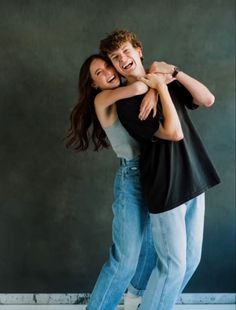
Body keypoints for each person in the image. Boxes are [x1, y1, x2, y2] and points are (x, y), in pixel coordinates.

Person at [99, 29, 221, 310]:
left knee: (191, 261)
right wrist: (159, 87)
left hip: (193, 175)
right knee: (172, 266)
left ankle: (142, 302)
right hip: (164, 184)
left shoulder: (163, 76)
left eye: (126, 51)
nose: (122, 59)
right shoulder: (126, 103)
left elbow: (207, 99)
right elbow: (173, 133)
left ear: (138, 51)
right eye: (115, 58)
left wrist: (173, 73)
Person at [65, 53, 183, 310]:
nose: (108, 71)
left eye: (107, 65)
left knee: (153, 250)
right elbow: (142, 84)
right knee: (125, 259)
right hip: (132, 178)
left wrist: (154, 87)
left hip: (155, 172)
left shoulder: (128, 94)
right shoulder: (103, 99)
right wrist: (152, 87)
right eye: (99, 73)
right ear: (94, 84)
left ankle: (135, 300)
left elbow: (157, 78)